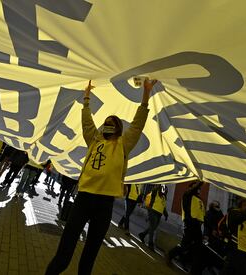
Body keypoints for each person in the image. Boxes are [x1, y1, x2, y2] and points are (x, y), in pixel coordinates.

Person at [45, 79, 157, 275]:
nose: (107, 126)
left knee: (89, 256)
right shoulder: (94, 140)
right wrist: (86, 97)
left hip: (105, 205)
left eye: (112, 125)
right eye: (106, 124)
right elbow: (87, 121)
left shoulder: (123, 144)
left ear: (119, 129)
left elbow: (138, 124)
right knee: (64, 252)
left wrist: (146, 93)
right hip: (84, 198)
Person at [167, 180, 205, 275]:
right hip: (190, 223)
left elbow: (202, 213)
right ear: (191, 188)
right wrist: (201, 181)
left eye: (199, 188)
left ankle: (194, 271)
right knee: (185, 245)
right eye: (197, 187)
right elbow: (194, 189)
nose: (199, 189)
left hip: (197, 225)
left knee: (198, 249)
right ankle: (170, 254)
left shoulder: (199, 200)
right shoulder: (187, 195)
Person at [221, 198, 246, 275]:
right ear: (244, 204)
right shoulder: (234, 213)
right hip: (237, 249)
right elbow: (244, 216)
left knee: (229, 271)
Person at [139, 185, 168, 251]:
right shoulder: (155, 192)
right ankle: (150, 244)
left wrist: (166, 214)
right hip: (153, 211)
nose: (165, 190)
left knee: (153, 227)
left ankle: (142, 234)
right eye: (164, 189)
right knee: (152, 228)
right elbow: (151, 202)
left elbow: (163, 206)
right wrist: (149, 214)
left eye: (166, 189)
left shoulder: (164, 197)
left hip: (159, 214)